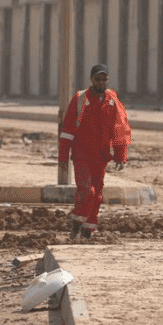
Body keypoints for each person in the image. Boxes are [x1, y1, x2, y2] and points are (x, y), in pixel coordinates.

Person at [58, 63, 132, 239]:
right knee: (87, 190)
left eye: (104, 79)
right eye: (97, 79)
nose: (101, 82)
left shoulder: (112, 100)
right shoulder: (80, 99)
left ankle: (88, 229)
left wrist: (121, 155)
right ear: (91, 80)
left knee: (97, 195)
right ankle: (76, 220)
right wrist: (63, 156)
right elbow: (67, 129)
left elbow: (120, 129)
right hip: (82, 154)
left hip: (101, 156)